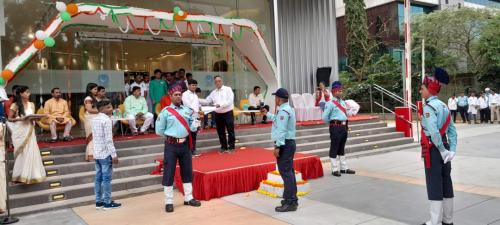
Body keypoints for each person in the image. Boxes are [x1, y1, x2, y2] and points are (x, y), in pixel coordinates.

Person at [419, 68, 457, 225]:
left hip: (434, 149)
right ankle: (448, 221)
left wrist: (441, 150)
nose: (420, 90)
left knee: (434, 183)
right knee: (446, 182)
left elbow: (434, 132)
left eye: (422, 88)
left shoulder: (429, 107)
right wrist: (451, 151)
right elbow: (452, 131)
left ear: (429, 90)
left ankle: (434, 222)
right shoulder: (444, 106)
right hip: (446, 148)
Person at [155, 88, 202, 213]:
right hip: (171, 146)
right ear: (170, 96)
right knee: (169, 172)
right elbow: (158, 131)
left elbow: (192, 128)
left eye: (180, 95)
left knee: (187, 171)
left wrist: (195, 124)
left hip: (185, 145)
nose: (178, 97)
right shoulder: (165, 112)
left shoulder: (188, 110)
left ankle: (188, 198)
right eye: (175, 95)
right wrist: (172, 134)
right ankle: (169, 201)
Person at [260, 88, 298, 212]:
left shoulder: (283, 111)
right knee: (289, 172)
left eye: (275, 97)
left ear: (279, 99)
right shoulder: (287, 109)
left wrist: (277, 146)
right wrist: (268, 114)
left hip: (285, 144)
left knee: (286, 173)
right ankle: (292, 199)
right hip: (289, 143)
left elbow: (281, 130)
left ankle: (289, 201)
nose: (274, 99)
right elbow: (278, 121)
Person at [7, 85, 46, 184]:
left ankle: (33, 175)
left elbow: (32, 117)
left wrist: (38, 118)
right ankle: (20, 176)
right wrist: (21, 118)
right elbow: (9, 119)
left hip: (30, 129)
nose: (29, 94)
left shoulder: (32, 104)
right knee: (22, 153)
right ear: (21, 94)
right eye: (27, 92)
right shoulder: (15, 105)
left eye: (29, 92)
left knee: (31, 151)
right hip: (20, 130)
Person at [91, 98, 122, 210]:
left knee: (98, 178)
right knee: (106, 179)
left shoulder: (94, 119)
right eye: (108, 107)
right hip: (105, 154)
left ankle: (99, 202)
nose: (111, 109)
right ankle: (107, 203)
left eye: (111, 106)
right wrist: (114, 155)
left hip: (97, 153)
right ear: (101, 109)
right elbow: (109, 140)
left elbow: (95, 137)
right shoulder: (107, 120)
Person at [322, 81, 356, 177]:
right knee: (334, 147)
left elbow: (346, 114)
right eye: (338, 91)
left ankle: (344, 168)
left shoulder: (343, 103)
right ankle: (334, 169)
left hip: (344, 126)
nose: (341, 92)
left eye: (341, 90)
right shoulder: (330, 103)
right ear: (333, 92)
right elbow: (324, 117)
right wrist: (333, 123)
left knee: (342, 147)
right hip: (335, 127)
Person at [206, 76, 236, 153]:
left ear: (221, 81)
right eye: (216, 81)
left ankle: (231, 147)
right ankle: (224, 147)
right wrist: (197, 100)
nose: (218, 82)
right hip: (218, 114)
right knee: (220, 131)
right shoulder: (213, 92)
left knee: (230, 130)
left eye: (219, 81)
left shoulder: (228, 89)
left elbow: (230, 101)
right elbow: (207, 100)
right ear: (215, 83)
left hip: (228, 113)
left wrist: (220, 105)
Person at [182, 79, 206, 157]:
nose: (194, 86)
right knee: (188, 134)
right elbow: (188, 105)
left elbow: (197, 104)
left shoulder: (195, 95)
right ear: (188, 86)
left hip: (196, 117)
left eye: (195, 85)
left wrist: (201, 109)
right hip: (188, 117)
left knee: (194, 134)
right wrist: (197, 110)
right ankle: (188, 151)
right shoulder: (185, 94)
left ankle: (193, 150)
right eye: (192, 85)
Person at [84, 83, 101, 161]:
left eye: (97, 89)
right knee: (92, 137)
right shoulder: (88, 98)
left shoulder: (95, 98)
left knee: (96, 137)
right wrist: (100, 111)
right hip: (90, 119)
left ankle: (95, 154)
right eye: (95, 89)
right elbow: (89, 110)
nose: (96, 91)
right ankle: (90, 155)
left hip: (96, 118)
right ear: (89, 90)